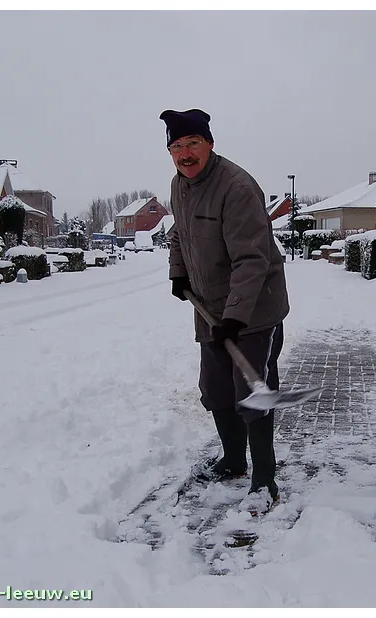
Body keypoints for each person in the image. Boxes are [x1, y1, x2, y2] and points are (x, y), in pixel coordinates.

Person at [160, 108, 289, 513]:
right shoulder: (179, 185)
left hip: (254, 307)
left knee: (251, 394)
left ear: (210, 144)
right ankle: (234, 460)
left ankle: (264, 480)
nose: (185, 153)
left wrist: (236, 316)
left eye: (192, 143)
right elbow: (178, 233)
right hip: (210, 305)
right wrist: (179, 273)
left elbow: (252, 259)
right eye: (177, 146)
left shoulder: (236, 186)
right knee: (216, 391)